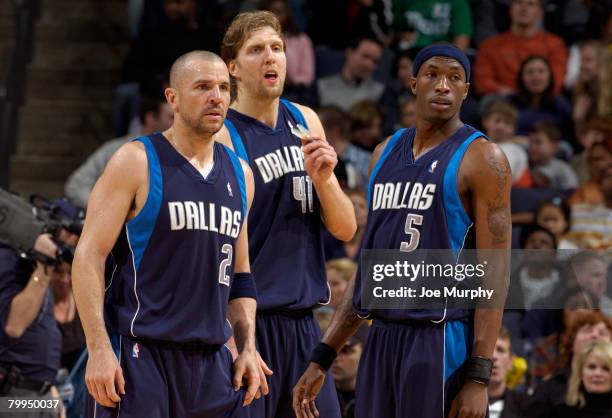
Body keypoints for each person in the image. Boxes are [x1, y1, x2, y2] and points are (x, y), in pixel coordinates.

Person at [293, 43, 512, 418]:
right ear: (413, 84)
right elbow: (368, 271)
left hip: (439, 338)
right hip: (381, 335)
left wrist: (478, 376)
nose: (442, 85)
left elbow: (496, 271)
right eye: (432, 75)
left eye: (454, 78)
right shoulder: (383, 153)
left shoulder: (483, 158)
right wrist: (324, 353)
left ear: (466, 90)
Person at [72, 51, 263, 418]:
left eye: (224, 87)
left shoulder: (242, 175)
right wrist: (98, 349)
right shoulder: (136, 160)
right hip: (142, 356)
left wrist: (247, 347)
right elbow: (88, 255)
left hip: (211, 362)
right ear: (172, 98)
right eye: (203, 87)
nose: (217, 97)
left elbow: (240, 276)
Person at [217, 11, 357, 418]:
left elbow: (345, 227)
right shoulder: (224, 134)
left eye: (276, 48)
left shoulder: (305, 120)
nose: (270, 58)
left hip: (303, 324)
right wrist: (235, 339)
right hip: (246, 327)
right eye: (256, 50)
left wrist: (327, 180)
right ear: (233, 67)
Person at [0, 231, 74, 418]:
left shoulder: (30, 266)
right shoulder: (7, 257)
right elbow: (14, 326)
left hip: (39, 393)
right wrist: (45, 267)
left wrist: (49, 395)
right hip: (14, 395)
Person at [65, 96, 174, 208]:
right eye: (171, 117)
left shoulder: (182, 154)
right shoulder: (116, 149)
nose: (178, 123)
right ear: (150, 118)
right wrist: (103, 210)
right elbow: (76, 185)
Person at [527, 311, 612, 418]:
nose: (594, 335)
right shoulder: (548, 388)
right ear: (572, 342)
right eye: (587, 330)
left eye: (602, 333)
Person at [474, 0, 567, 96]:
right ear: (510, 10)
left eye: (531, 4)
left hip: (542, 99)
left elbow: (556, 82)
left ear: (540, 13)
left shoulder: (555, 44)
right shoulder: (490, 45)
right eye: (519, 2)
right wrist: (514, 95)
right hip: (503, 99)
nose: (524, 8)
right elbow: (482, 82)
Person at [509, 56, 573, 141]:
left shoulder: (561, 105)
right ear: (521, 77)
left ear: (550, 76)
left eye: (541, 71)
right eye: (530, 72)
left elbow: (568, 139)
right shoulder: (509, 102)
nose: (536, 77)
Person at [316, 36, 385, 111]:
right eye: (365, 56)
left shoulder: (380, 93)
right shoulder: (321, 87)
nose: (368, 65)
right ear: (350, 53)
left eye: (375, 61)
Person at [550, 340, 612, 418]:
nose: (598, 374)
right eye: (591, 367)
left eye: (606, 368)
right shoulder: (561, 412)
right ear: (580, 373)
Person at [481, 99, 532, 188]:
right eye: (497, 120)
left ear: (514, 129)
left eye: (507, 123)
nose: (501, 126)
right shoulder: (475, 144)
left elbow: (502, 178)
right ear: (485, 121)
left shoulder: (515, 151)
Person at [392, 0, 474, 52]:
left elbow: (461, 45)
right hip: (409, 55)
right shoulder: (401, 2)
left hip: (442, 57)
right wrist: (400, 36)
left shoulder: (457, 2)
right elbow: (393, 33)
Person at [488, 327, 529, 418]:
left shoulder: (527, 406)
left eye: (500, 350)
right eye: (489, 349)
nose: (494, 356)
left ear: (511, 361)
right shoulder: (460, 402)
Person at [331, 324, 369, 418]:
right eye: (333, 350)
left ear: (365, 354)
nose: (336, 358)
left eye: (346, 351)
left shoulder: (376, 400)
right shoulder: (318, 397)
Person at [528, 122, 578, 190]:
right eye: (530, 142)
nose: (532, 147)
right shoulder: (525, 165)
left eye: (538, 142)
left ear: (554, 146)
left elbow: (571, 192)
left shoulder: (562, 170)